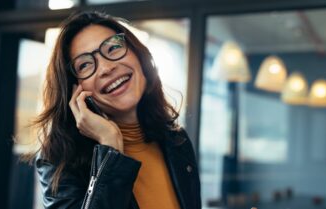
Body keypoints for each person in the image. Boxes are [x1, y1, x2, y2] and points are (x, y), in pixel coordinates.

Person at [33, 11, 201, 209]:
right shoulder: (58, 160)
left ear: (138, 56)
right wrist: (110, 148)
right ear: (74, 90)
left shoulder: (175, 140)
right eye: (85, 64)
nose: (106, 68)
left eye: (113, 48)